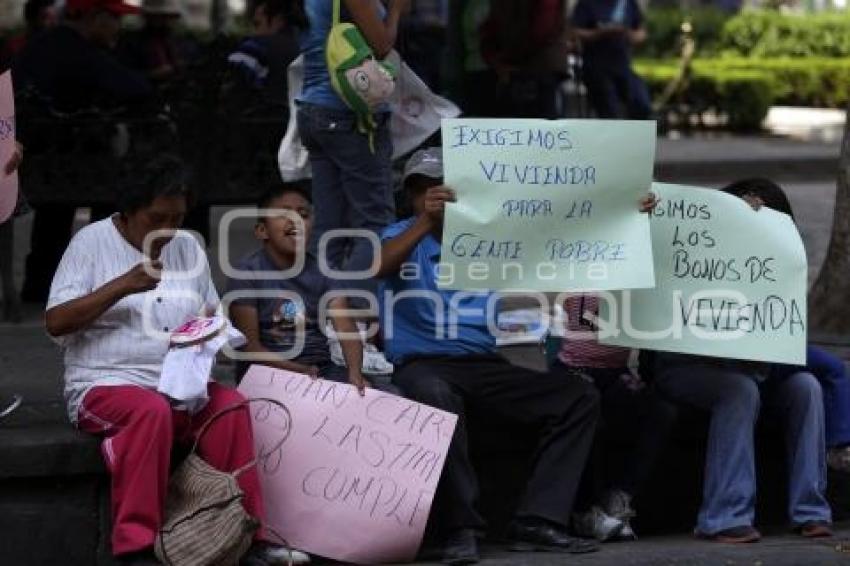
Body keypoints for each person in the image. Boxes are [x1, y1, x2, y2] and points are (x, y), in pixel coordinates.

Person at [45, 155, 304, 566]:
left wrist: (206, 335)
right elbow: (57, 322)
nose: (167, 230)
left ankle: (248, 534)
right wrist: (122, 286)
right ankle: (135, 545)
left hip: (180, 384)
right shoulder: (90, 243)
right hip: (106, 386)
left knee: (232, 406)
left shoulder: (188, 246)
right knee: (150, 412)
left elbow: (210, 315)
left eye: (177, 218)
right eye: (156, 218)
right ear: (128, 211)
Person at [377, 148, 601, 564]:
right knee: (435, 397)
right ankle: (461, 527)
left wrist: (628, 214)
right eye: (423, 190)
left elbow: (574, 238)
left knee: (577, 396)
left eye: (441, 188)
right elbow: (378, 266)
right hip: (426, 363)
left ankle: (539, 519)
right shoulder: (398, 235)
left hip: (489, 363)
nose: (434, 195)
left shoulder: (494, 239)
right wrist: (427, 220)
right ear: (411, 196)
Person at [13, 0, 152, 304]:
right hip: (74, 165)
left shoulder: (43, 45)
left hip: (39, 163)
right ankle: (100, 282)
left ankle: (40, 285)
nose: (118, 27)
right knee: (113, 199)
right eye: (114, 18)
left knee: (53, 221)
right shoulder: (81, 53)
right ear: (95, 17)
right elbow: (136, 89)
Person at [723, 177, 850, 473]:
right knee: (833, 369)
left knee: (814, 381)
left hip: (766, 351)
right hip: (742, 354)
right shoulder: (718, 251)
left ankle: (834, 461)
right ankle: (840, 449)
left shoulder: (775, 258)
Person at [297, 0, 409, 306]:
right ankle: (355, 318)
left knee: (328, 225)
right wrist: (396, 10)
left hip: (314, 110)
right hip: (350, 117)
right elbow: (382, 45)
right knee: (374, 223)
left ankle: (318, 312)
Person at [226, 183, 378, 393]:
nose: (296, 220)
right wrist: (299, 371)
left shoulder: (325, 271)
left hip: (319, 368)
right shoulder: (247, 274)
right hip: (266, 372)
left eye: (303, 214)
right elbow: (249, 348)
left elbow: (345, 328)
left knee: (382, 395)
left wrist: (355, 374)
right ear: (262, 230)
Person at [560, 294, 677, 542]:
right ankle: (584, 512)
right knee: (588, 409)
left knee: (658, 412)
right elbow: (582, 317)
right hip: (574, 368)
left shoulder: (632, 272)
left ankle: (619, 497)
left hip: (616, 372)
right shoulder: (576, 263)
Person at [571, 0, 651, 119]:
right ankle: (612, 132)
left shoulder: (628, 3)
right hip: (595, 65)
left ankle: (634, 133)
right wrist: (598, 33)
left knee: (641, 103)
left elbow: (641, 32)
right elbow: (574, 31)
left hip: (622, 66)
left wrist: (628, 35)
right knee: (609, 106)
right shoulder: (587, 4)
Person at [226, 0, 302, 107]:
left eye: (257, 24)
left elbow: (230, 85)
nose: (254, 32)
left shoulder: (255, 48)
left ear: (278, 20)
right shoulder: (310, 52)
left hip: (257, 120)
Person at [118, 0, 187, 82]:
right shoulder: (131, 41)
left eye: (168, 17)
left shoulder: (174, 40)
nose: (166, 21)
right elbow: (123, 75)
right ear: (149, 17)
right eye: (160, 17)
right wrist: (151, 75)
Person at [0, 0, 58, 69]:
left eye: (54, 18)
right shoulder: (15, 48)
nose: (53, 23)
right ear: (31, 20)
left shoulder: (58, 49)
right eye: (46, 18)